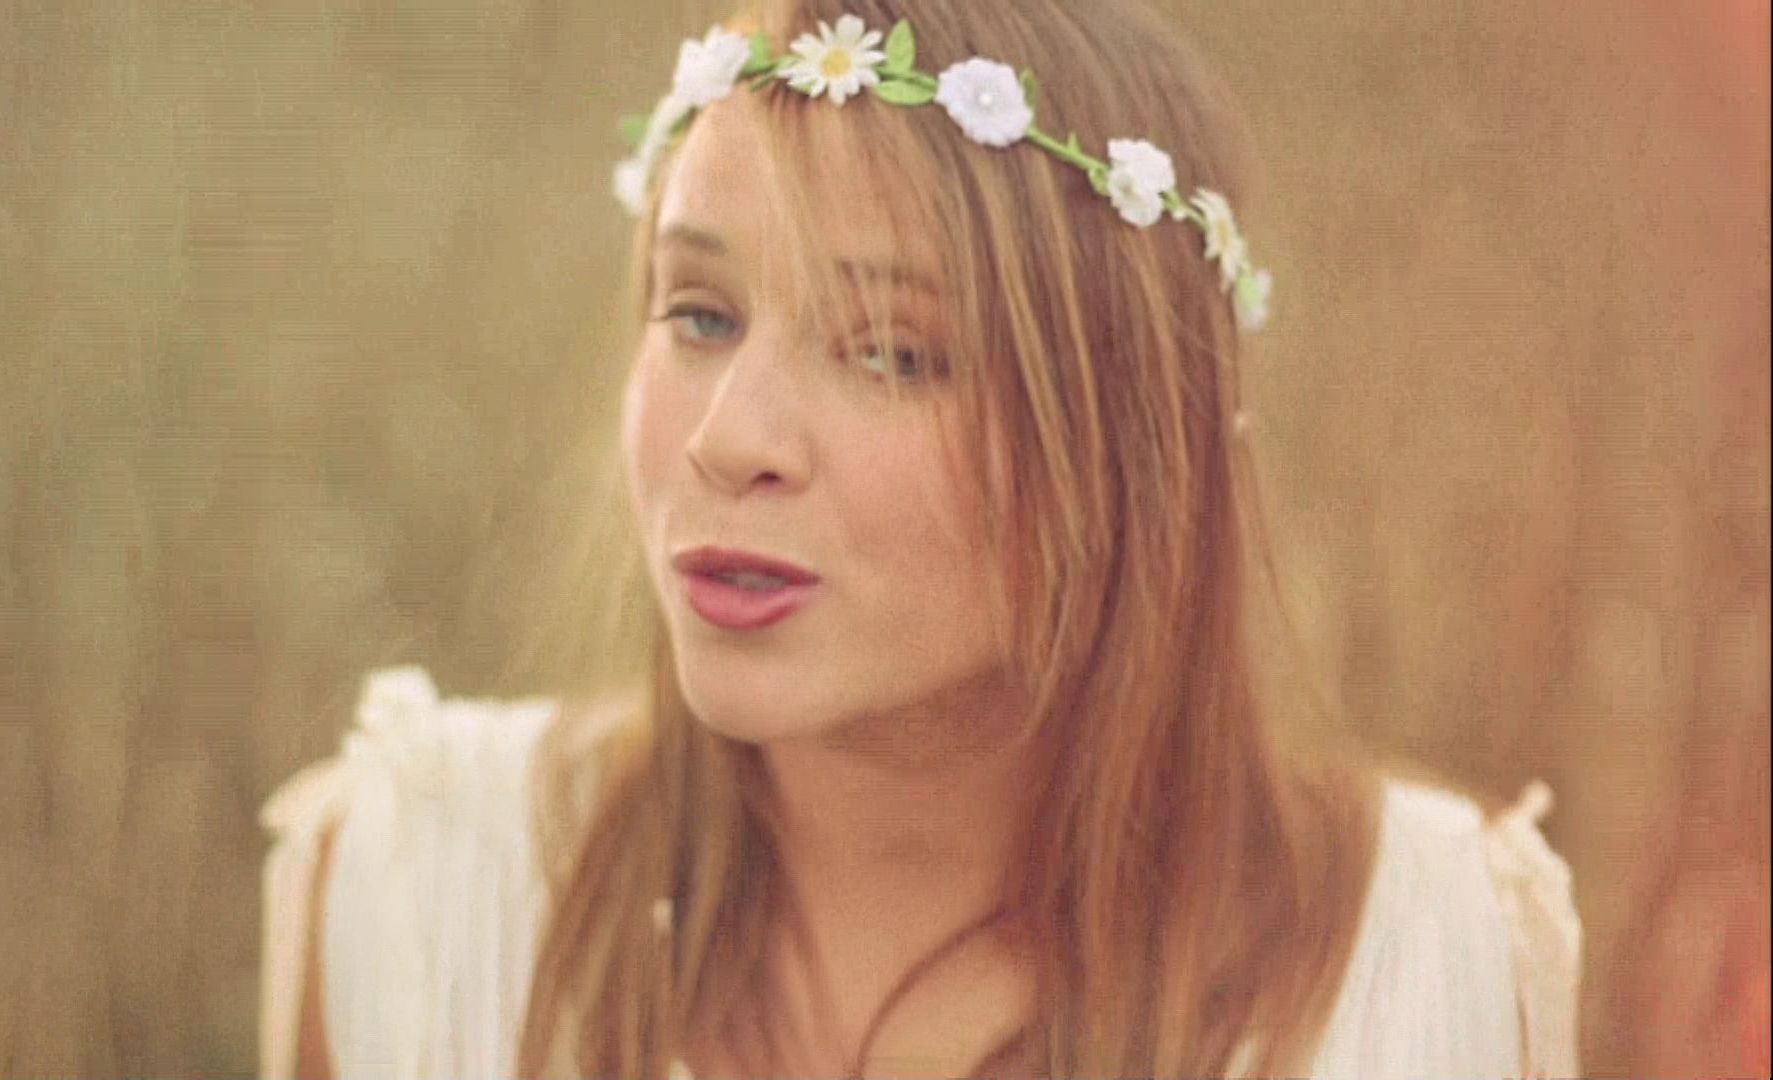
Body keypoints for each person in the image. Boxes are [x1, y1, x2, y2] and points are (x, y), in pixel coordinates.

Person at [260, 1, 1582, 1075]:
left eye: (893, 351)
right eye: (702, 313)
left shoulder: (1427, 962)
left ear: (1133, 441)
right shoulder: (417, 897)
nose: (730, 439)